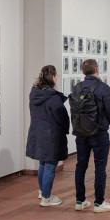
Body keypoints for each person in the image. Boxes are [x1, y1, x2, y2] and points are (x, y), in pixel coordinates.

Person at [74, 59, 110, 213]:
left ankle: (80, 201)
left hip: (81, 133)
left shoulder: (77, 87)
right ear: (97, 70)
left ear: (83, 71)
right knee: (100, 167)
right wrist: (104, 124)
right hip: (99, 132)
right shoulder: (103, 88)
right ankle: (99, 203)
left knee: (80, 166)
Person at [26, 65, 70, 207]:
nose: (58, 77)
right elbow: (62, 117)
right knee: (50, 165)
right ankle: (46, 197)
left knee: (43, 163)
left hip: (38, 133)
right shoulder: (53, 97)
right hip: (51, 135)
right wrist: (65, 129)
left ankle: (42, 191)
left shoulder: (34, 93)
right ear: (52, 77)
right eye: (56, 75)